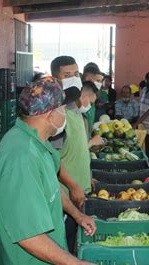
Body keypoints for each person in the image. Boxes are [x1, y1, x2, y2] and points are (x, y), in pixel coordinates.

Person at [0, 77, 99, 265]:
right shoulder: (21, 157)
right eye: (62, 107)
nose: (65, 112)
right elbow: (29, 236)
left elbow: (51, 187)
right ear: (50, 115)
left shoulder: (36, 140)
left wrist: (77, 214)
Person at [50, 57, 103, 254]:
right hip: (65, 194)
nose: (73, 79)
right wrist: (73, 185)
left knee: (75, 241)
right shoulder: (57, 115)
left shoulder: (74, 108)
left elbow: (77, 150)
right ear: (56, 79)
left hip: (79, 190)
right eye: (66, 75)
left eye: (76, 74)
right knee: (64, 243)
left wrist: (87, 178)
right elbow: (53, 159)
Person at [82, 63, 104, 134]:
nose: (100, 84)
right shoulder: (80, 100)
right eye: (98, 81)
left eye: (101, 81)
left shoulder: (93, 97)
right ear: (87, 79)